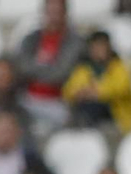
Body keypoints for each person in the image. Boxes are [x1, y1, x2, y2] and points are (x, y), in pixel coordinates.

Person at [16, 0, 83, 131]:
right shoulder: (31, 39)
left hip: (58, 102)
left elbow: (62, 73)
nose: (53, 16)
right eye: (50, 12)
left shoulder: (75, 42)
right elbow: (21, 67)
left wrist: (35, 71)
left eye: (57, 12)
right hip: (28, 99)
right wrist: (49, 70)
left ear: (65, 14)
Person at [63, 30, 131, 133]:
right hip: (89, 109)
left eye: (101, 46)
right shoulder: (84, 69)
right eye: (95, 47)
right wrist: (81, 93)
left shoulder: (120, 66)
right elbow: (68, 91)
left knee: (94, 107)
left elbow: (121, 88)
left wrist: (96, 92)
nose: (98, 50)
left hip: (117, 115)